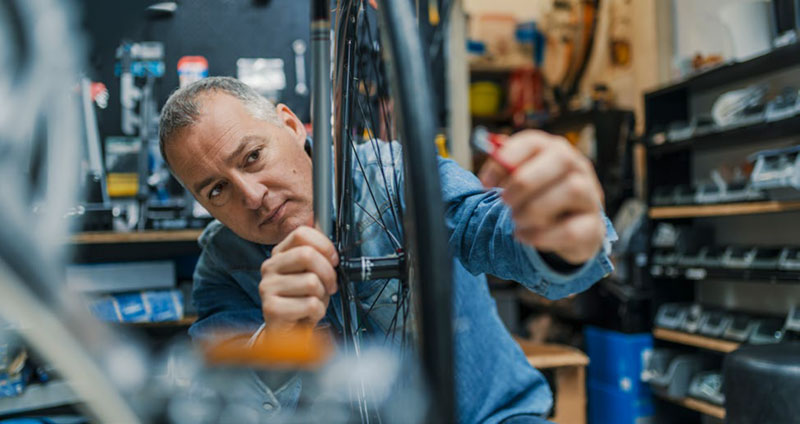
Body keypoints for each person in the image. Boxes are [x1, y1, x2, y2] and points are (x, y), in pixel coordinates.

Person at [158, 76, 615, 423]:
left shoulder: (397, 177)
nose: (251, 196)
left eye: (253, 157)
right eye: (217, 190)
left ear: (292, 125)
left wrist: (560, 236)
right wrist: (278, 341)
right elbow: (225, 406)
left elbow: (491, 228)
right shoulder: (223, 267)